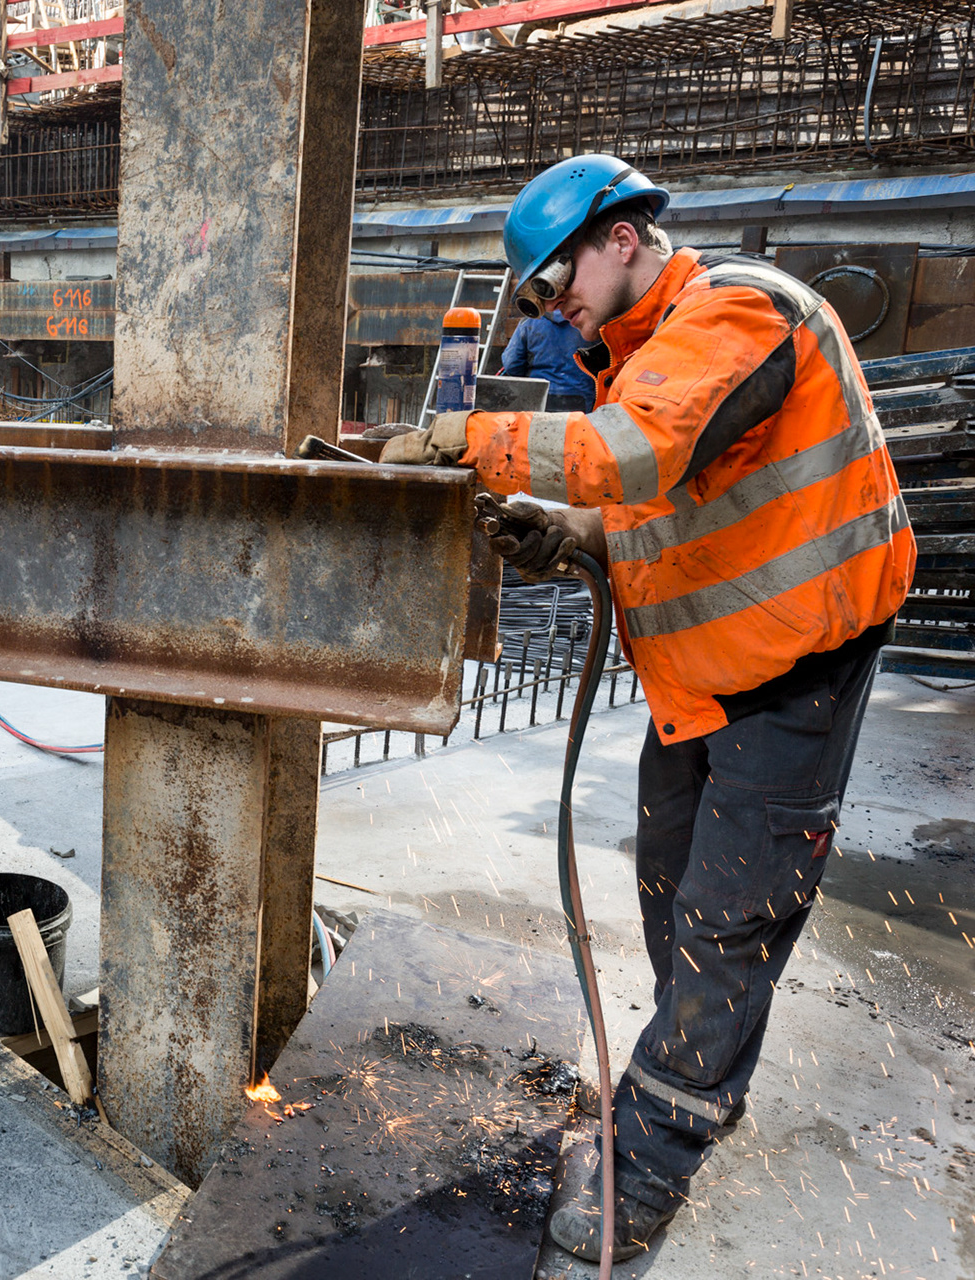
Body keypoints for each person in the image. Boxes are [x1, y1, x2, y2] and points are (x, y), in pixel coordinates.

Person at [381, 154, 914, 1262]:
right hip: (707, 679)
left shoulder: (742, 310)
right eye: (534, 293)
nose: (548, 302)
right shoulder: (648, 352)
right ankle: (697, 1076)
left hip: (795, 674)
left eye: (554, 276)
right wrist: (577, 536)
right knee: (674, 886)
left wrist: (463, 439)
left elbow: (635, 453)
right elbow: (682, 501)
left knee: (729, 922)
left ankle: (655, 1159)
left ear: (620, 237)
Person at [501, 308, 594, 412]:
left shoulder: (529, 322)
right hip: (580, 399)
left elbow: (511, 364)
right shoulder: (591, 322)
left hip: (538, 396)